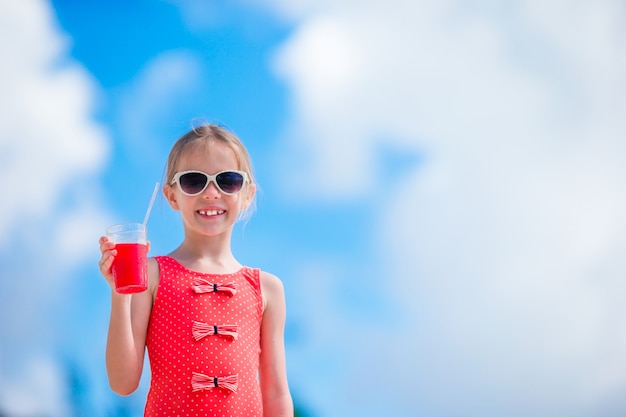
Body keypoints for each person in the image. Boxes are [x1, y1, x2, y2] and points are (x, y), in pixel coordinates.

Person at [98, 123, 293, 417]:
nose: (211, 192)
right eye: (193, 181)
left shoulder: (267, 289)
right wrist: (120, 295)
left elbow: (276, 393)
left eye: (227, 180)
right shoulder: (152, 275)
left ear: (247, 194)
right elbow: (122, 382)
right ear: (172, 196)